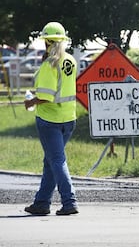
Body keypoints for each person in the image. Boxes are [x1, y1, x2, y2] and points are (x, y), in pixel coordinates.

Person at [23, 22, 79, 216]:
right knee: (50, 161)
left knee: (56, 160)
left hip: (50, 121)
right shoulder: (70, 60)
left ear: (47, 42)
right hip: (69, 119)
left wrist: (30, 102)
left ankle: (69, 201)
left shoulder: (49, 65)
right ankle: (42, 203)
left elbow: (45, 96)